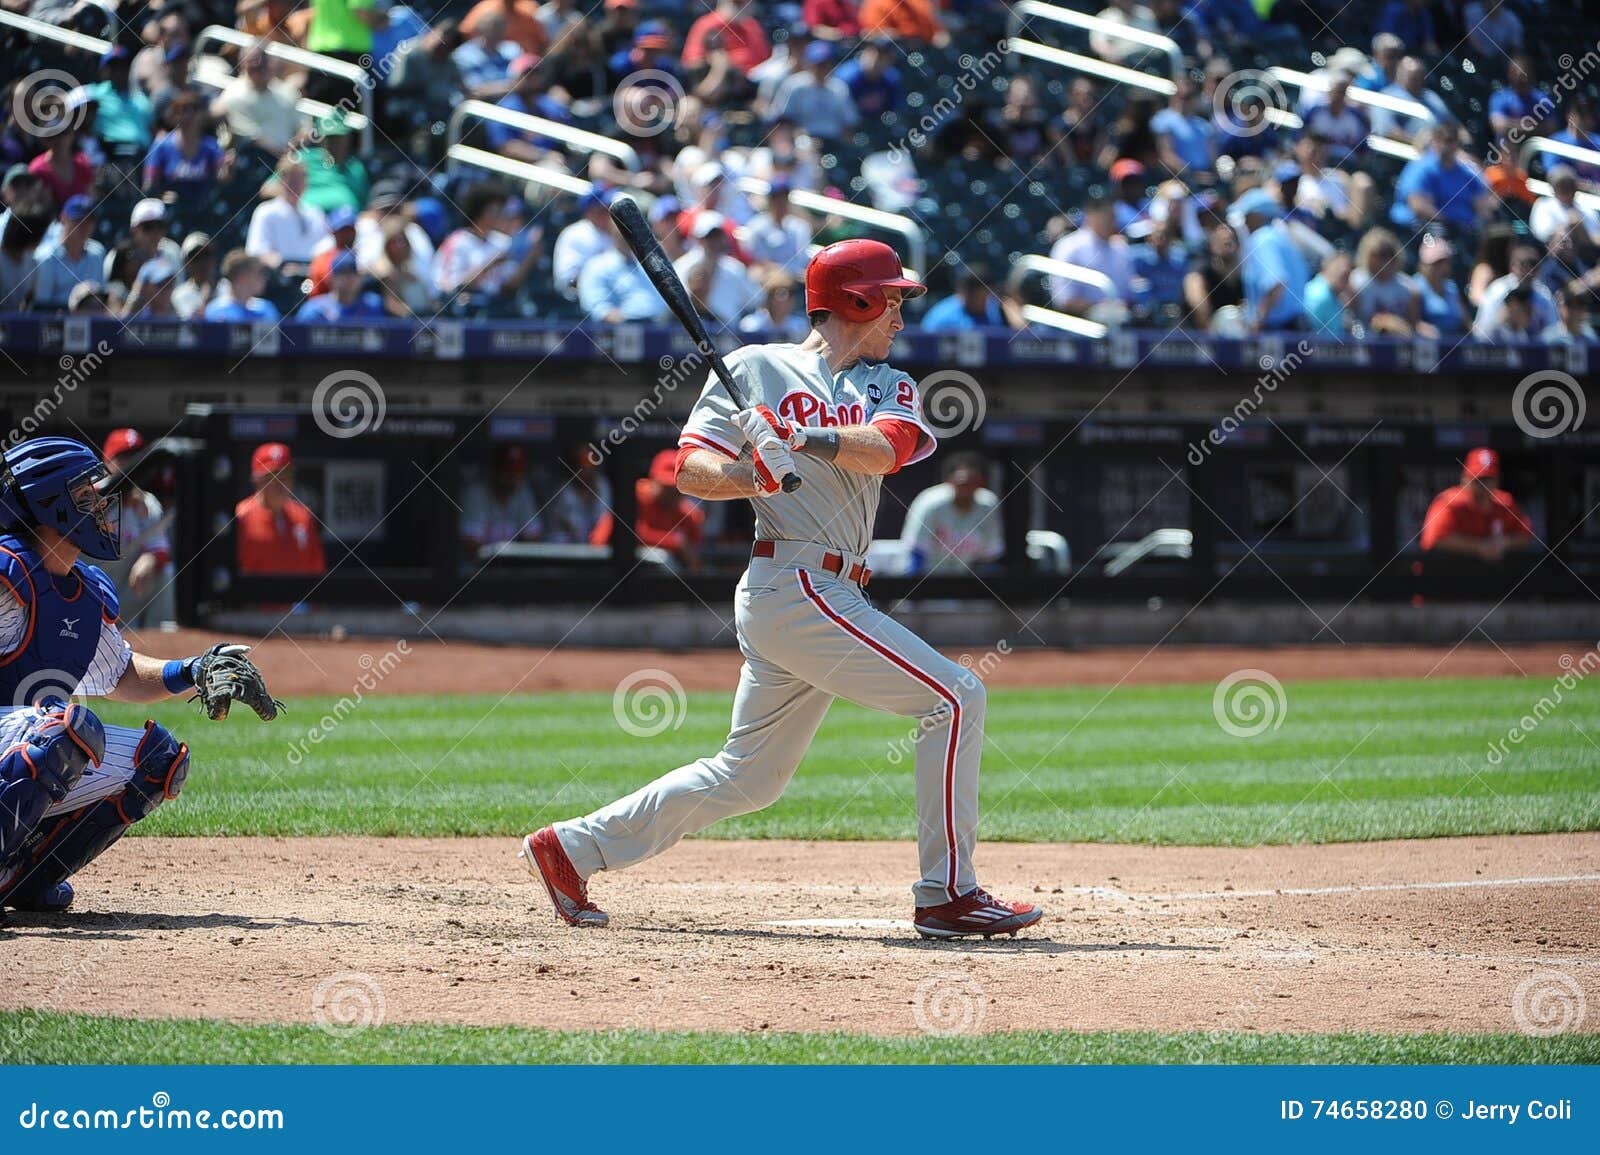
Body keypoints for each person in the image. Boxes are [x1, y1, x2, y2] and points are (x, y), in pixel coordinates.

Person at [521, 239, 1043, 941]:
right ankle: (946, 893)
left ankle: (571, 847)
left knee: (750, 777)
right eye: (890, 297)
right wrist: (753, 476)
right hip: (791, 582)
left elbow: (889, 448)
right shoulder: (751, 367)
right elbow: (691, 470)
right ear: (854, 299)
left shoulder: (889, 383)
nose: (899, 311)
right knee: (955, 695)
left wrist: (799, 435)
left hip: (833, 591)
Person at [0, 436, 281, 915]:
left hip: (16, 743)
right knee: (64, 732)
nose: (101, 506)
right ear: (48, 505)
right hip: (21, 739)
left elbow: (121, 674)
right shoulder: (7, 573)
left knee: (160, 760)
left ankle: (24, 882)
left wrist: (195, 669)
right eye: (84, 496)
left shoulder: (83, 591)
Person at [97, 428, 174, 628]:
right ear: (107, 462)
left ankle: (160, 636)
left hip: (125, 587)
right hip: (92, 587)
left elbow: (161, 549)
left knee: (164, 571)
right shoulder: (90, 495)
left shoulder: (147, 503)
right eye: (124, 459)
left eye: (136, 459)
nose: (131, 466)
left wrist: (149, 559)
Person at [586, 448, 706, 571]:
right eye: (667, 486)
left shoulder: (688, 514)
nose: (672, 492)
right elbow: (614, 536)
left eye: (678, 487)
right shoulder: (634, 497)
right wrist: (674, 542)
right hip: (612, 570)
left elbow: (695, 558)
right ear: (653, 480)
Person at [900, 452, 1004, 576]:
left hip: (967, 578)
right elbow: (916, 550)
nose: (966, 488)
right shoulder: (930, 502)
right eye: (962, 483)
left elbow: (990, 553)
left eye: (972, 481)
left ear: (981, 482)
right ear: (949, 481)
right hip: (929, 576)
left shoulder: (988, 504)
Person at [1420, 447, 1532, 561]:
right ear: (1465, 479)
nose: (1483, 486)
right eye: (1477, 480)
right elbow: (1434, 539)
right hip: (1450, 571)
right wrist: (1478, 547)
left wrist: (1504, 543)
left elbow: (1525, 535)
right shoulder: (1450, 502)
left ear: (1497, 481)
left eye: (1487, 479)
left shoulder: (1505, 502)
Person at [235, 442, 326, 576]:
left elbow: (317, 570)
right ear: (256, 480)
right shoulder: (241, 517)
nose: (280, 484)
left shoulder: (303, 516)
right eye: (271, 477)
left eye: (285, 476)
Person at [1391, 121, 1495, 238]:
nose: (1444, 145)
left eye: (1450, 140)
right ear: (1433, 141)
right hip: (1424, 233)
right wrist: (1449, 224)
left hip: (1464, 235)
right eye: (1440, 139)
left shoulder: (1467, 173)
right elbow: (1418, 206)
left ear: (1457, 143)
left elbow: (1483, 209)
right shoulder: (1421, 168)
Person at [1236, 187, 1308, 331]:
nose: (1244, 222)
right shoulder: (1280, 237)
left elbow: (1276, 283)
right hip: (1297, 326)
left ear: (1258, 216)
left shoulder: (1261, 239)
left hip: (1279, 331)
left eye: (1247, 215)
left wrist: (1257, 321)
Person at [1048, 198, 1133, 315]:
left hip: (1122, 321)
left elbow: (1128, 293)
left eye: (1113, 216)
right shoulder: (1068, 247)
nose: (1111, 221)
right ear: (1091, 216)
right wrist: (1100, 309)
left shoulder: (1120, 248)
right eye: (1106, 216)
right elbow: (1063, 299)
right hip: (1080, 324)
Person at [673, 213, 759, 329]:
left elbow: (755, 301)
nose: (714, 242)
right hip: (689, 331)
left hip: (729, 334)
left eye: (717, 236)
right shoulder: (682, 266)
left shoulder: (735, 268)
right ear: (699, 239)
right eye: (709, 237)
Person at [210, 49, 301, 159]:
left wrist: (295, 149)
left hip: (290, 156)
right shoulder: (234, 94)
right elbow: (254, 138)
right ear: (244, 65)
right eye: (253, 63)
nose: (258, 66)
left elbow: (303, 128)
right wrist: (284, 156)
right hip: (256, 158)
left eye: (263, 62)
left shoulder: (287, 92)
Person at [245, 156, 331, 271]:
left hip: (312, 277)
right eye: (291, 179)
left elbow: (326, 247)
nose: (295, 185)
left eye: (300, 179)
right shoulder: (266, 211)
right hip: (280, 279)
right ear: (281, 180)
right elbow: (257, 251)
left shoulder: (315, 213)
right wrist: (283, 265)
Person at [460, 445, 544, 552]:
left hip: (512, 566)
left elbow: (534, 539)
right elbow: (471, 545)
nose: (513, 477)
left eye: (518, 471)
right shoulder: (476, 494)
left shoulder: (523, 493)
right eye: (508, 471)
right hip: (478, 567)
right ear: (495, 471)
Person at [31, 195, 105, 310]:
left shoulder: (98, 252)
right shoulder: (45, 257)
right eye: (78, 220)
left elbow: (100, 300)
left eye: (89, 220)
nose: (84, 226)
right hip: (55, 324)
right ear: (63, 218)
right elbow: (41, 307)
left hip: (91, 321)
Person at [104, 198, 182, 293]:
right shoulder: (116, 256)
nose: (155, 232)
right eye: (148, 226)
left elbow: (176, 292)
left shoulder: (172, 252)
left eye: (160, 226)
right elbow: (109, 294)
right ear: (133, 230)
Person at [738, 178, 812, 277]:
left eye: (784, 199)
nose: (781, 203)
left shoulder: (800, 228)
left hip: (796, 279)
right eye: (777, 199)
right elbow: (758, 260)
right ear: (770, 201)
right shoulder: (757, 226)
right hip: (768, 278)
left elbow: (802, 259)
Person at [546, 444, 612, 544]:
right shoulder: (564, 491)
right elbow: (572, 528)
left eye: (589, 468)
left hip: (598, 547)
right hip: (568, 548)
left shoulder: (602, 485)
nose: (586, 473)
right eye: (582, 468)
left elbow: (604, 520)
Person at [294, 251, 386, 320]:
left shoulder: (374, 305)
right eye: (344, 272)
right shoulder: (314, 310)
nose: (350, 278)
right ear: (332, 278)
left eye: (354, 273)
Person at [1413, 234, 1469, 339]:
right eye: (1436, 263)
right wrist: (1426, 330)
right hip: (1427, 349)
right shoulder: (1415, 288)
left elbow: (1466, 323)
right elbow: (1412, 323)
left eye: (1445, 262)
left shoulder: (1452, 288)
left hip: (1455, 346)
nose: (1442, 267)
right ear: (1422, 265)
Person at [1529, 166, 1600, 246]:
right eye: (1561, 187)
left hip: (1585, 253)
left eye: (1570, 186)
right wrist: (1567, 228)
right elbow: (1541, 234)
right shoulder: (1543, 205)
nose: (1566, 191)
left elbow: (1597, 239)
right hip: (1553, 252)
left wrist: (1580, 229)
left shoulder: (1587, 210)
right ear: (1554, 189)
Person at [921, 267, 1009, 330]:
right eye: (977, 297)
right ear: (964, 293)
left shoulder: (996, 311)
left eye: (986, 297)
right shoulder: (943, 318)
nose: (983, 302)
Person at [205, 249, 282, 322]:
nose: (264, 278)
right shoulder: (215, 311)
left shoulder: (267, 309)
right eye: (259, 273)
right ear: (242, 278)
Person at [739, 270, 810, 339]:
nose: (783, 299)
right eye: (777, 294)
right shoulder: (750, 325)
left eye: (789, 294)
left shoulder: (800, 326)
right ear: (767, 298)